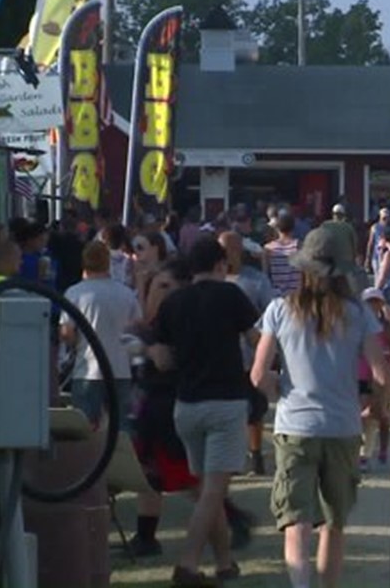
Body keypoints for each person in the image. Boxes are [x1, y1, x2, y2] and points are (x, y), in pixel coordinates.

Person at [251, 227, 390, 588]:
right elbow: (381, 372)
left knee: (295, 524)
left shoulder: (280, 310)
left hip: (295, 425)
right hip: (343, 425)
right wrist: (376, 406)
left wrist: (278, 389)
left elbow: (257, 375)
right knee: (335, 523)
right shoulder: (358, 312)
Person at [151, 237, 261, 585]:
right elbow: (256, 340)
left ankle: (225, 563)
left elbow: (162, 357)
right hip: (225, 402)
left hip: (187, 404)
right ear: (220, 265)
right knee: (214, 490)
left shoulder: (174, 303)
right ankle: (188, 564)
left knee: (207, 490)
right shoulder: (230, 295)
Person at [60, 241, 142, 429]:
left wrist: (74, 344)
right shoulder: (126, 293)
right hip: (121, 370)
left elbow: (66, 333)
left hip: (87, 370)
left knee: (84, 430)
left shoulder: (75, 293)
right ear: (108, 263)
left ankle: (90, 459)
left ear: (84, 263)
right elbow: (137, 326)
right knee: (121, 430)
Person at [219, 231, 278, 477]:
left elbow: (270, 312)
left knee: (254, 411)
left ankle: (256, 456)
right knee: (225, 412)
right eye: (222, 249)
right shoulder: (212, 280)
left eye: (230, 249)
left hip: (250, 357)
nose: (226, 254)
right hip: (220, 359)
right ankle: (229, 458)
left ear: (239, 250)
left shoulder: (256, 280)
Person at [359, 287, 390, 470]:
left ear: (381, 304)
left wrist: (385, 353)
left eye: (375, 302)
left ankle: (382, 450)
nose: (372, 306)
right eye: (369, 302)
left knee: (382, 415)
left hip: (383, 375)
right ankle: (363, 455)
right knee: (365, 414)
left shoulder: (386, 325)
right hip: (362, 373)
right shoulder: (356, 324)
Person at [264, 210, 303, 296]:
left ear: (276, 227)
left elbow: (265, 275)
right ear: (293, 226)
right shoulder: (299, 246)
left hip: (278, 295)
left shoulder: (268, 248)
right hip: (296, 296)